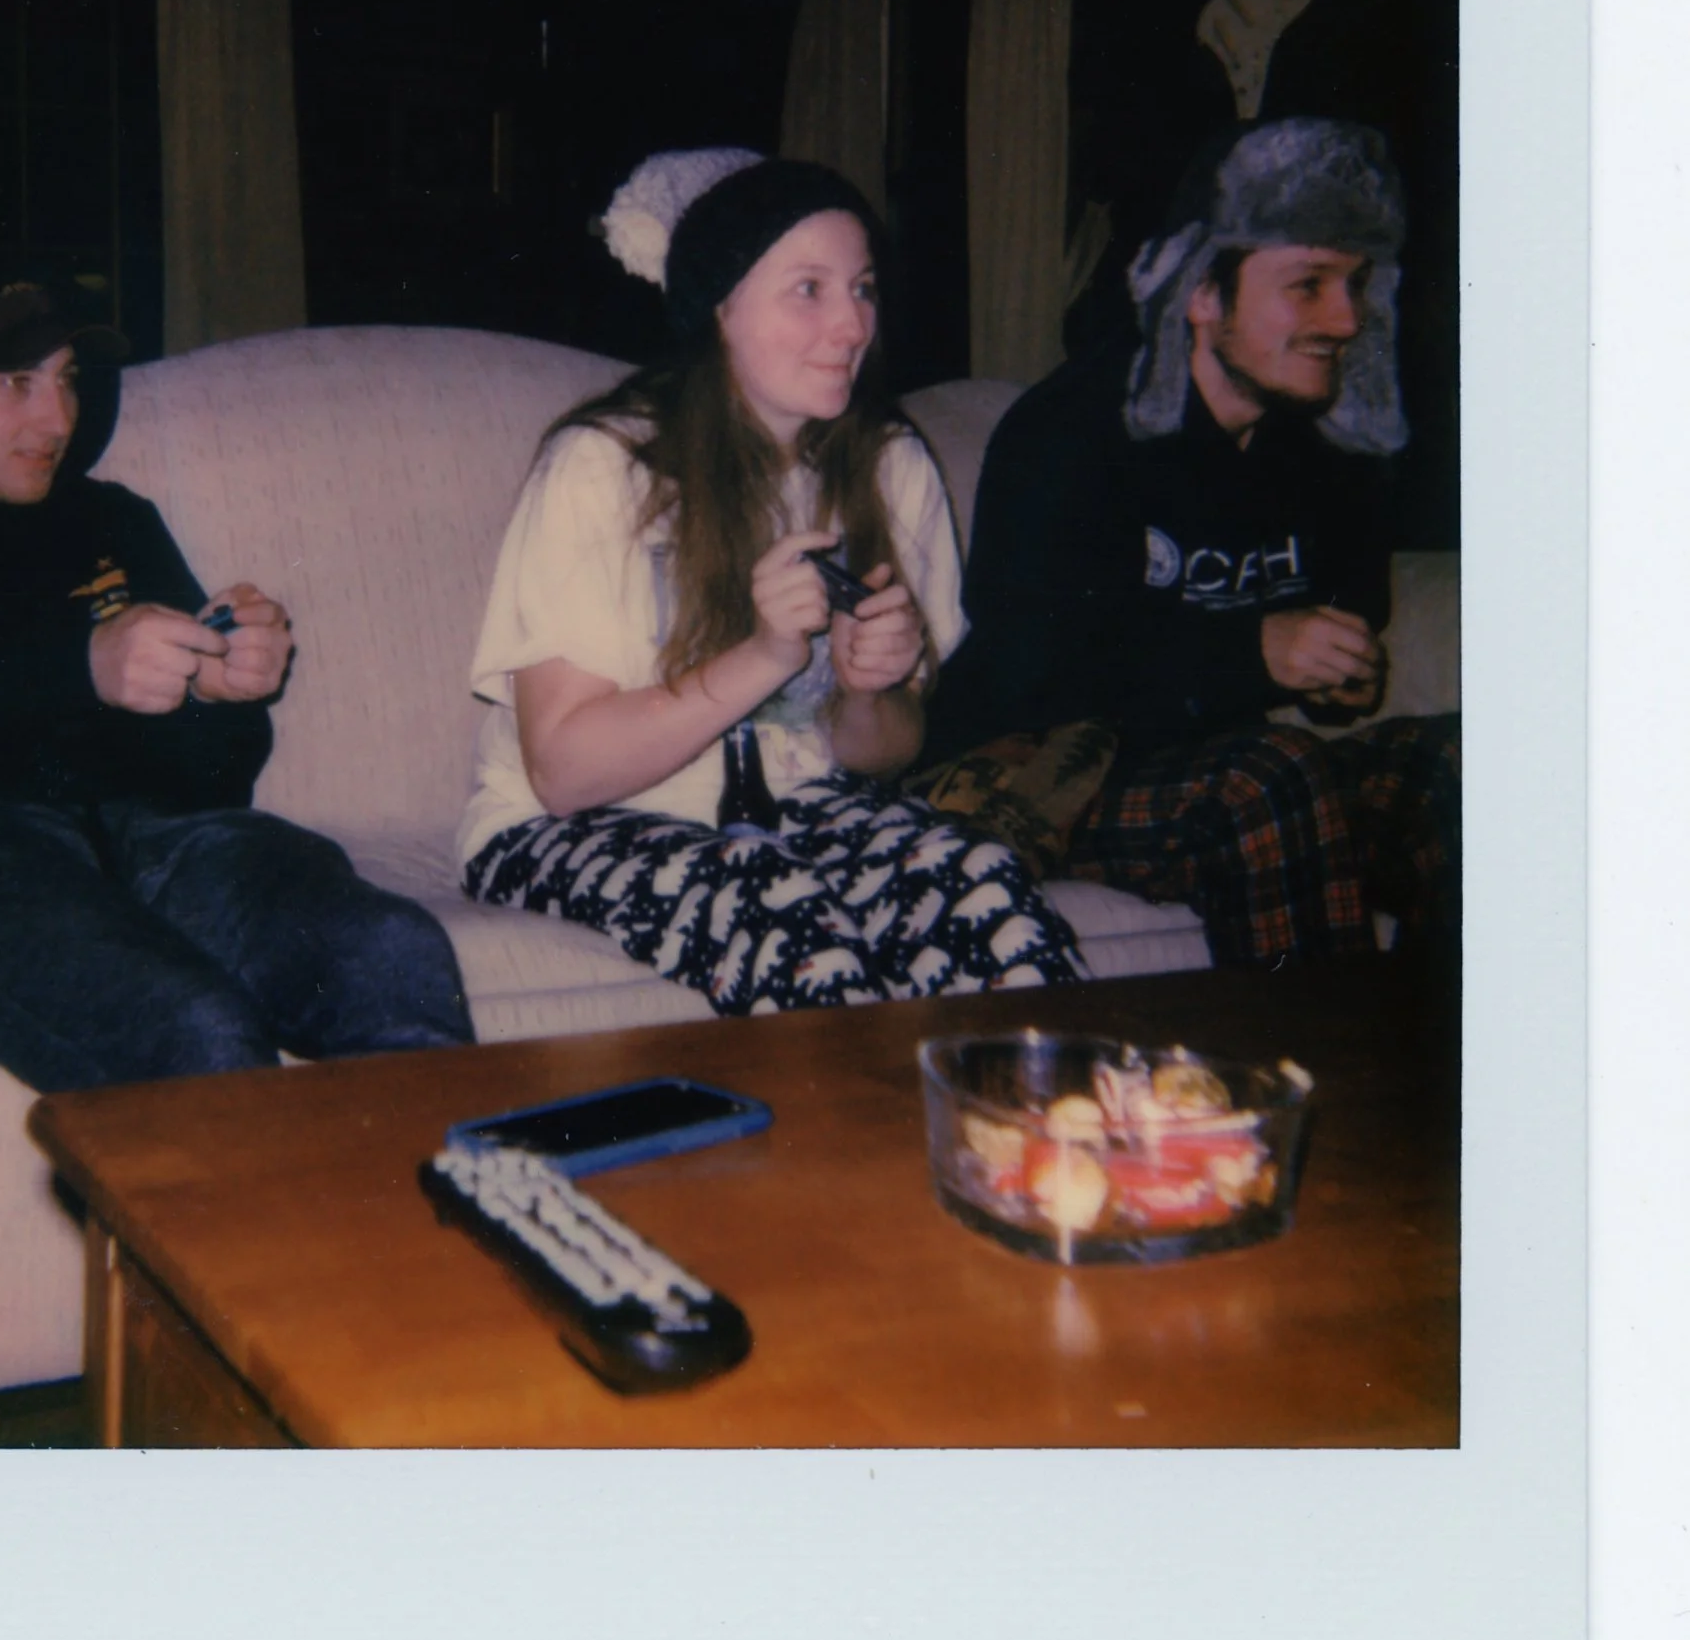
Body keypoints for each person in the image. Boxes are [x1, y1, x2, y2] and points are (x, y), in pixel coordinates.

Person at [0, 225, 473, 1092]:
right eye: (14, 381)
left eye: (67, 379)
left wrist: (217, 694)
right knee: (189, 1027)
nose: (57, 417)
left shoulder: (112, 520)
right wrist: (78, 668)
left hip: (157, 835)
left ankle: (433, 1228)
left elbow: (217, 779)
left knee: (393, 952)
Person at [457, 149, 1087, 1013]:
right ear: (719, 309)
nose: (852, 325)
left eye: (862, 288)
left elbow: (887, 747)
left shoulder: (892, 467)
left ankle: (1048, 1146)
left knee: (986, 888)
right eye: (809, 289)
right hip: (566, 826)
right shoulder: (604, 466)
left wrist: (868, 689)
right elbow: (564, 770)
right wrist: (763, 655)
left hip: (802, 806)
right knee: (788, 915)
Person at [923, 116, 1461, 967]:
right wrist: (1255, 650)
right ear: (1204, 292)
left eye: (1358, 284)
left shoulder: (1330, 443)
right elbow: (1036, 663)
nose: (1346, 319)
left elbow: (1343, 616)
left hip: (1223, 767)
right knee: (1267, 776)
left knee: (1459, 766)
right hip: (1047, 772)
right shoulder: (1072, 431)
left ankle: (1474, 1080)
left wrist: (1341, 674)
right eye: (1310, 283)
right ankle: (1310, 1074)